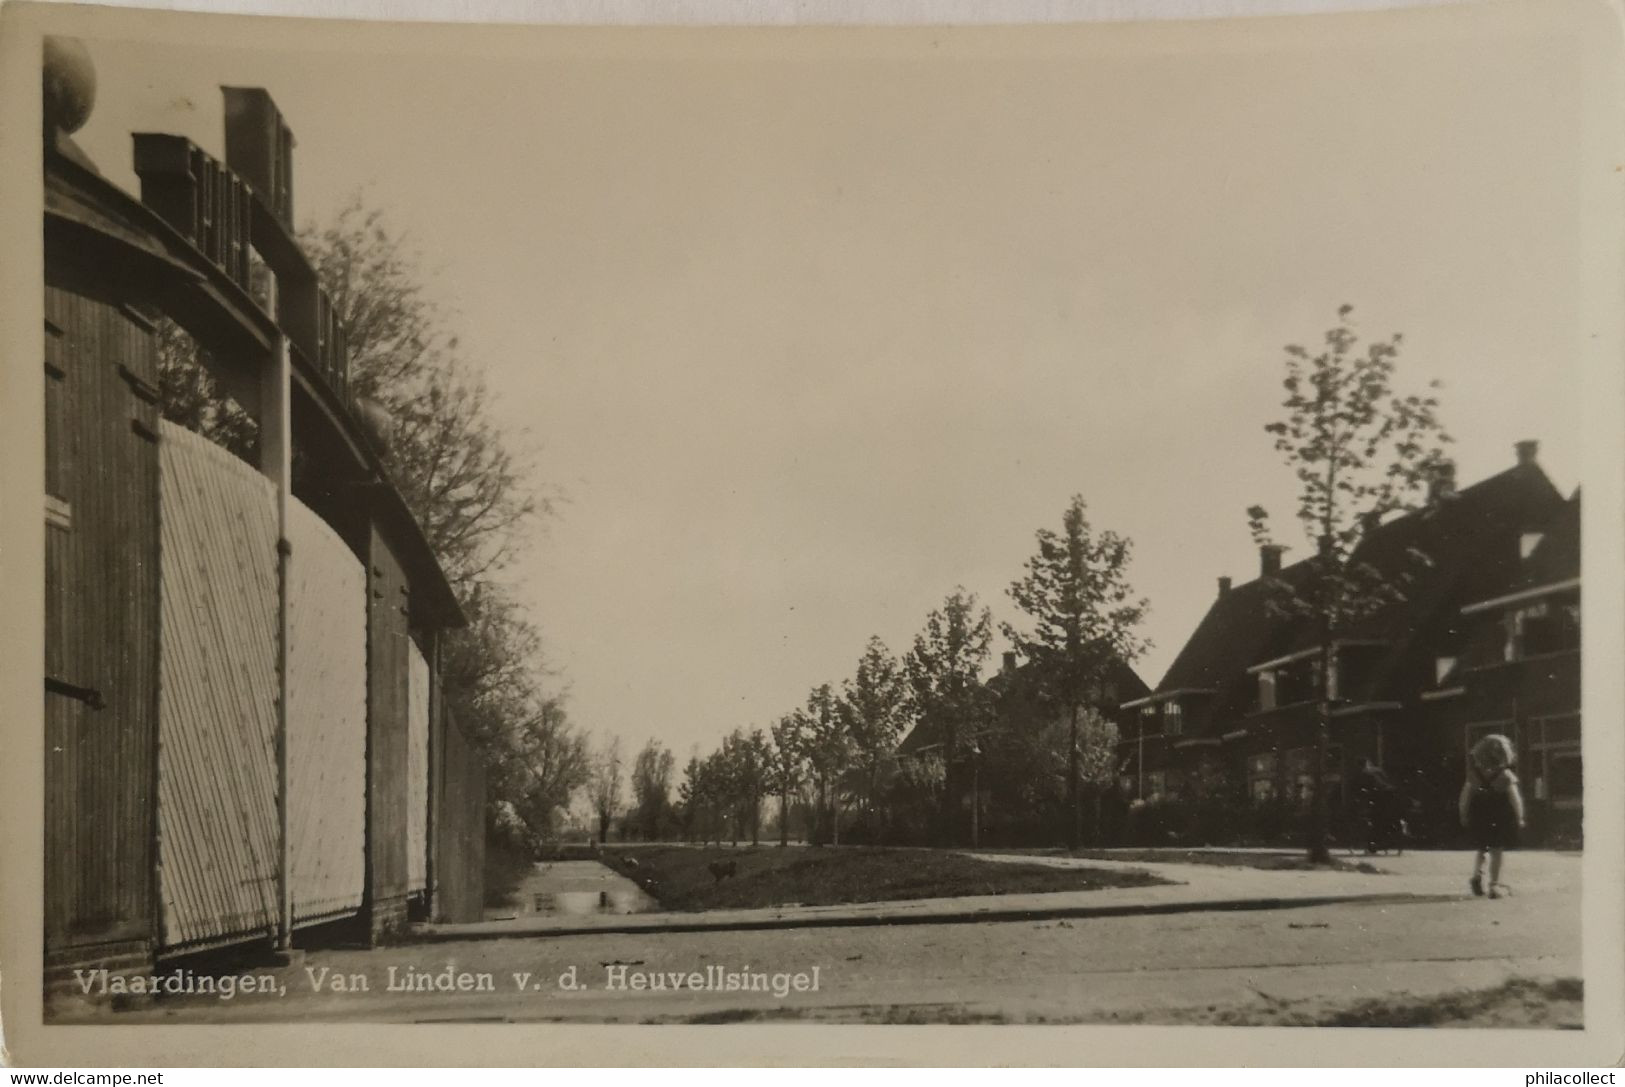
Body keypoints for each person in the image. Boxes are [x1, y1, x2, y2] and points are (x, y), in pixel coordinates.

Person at [1458, 734, 1526, 899]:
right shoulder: (1506, 776)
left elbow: (1464, 797)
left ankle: (1476, 875)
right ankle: (1494, 885)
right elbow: (1515, 799)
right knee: (1497, 851)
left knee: (1482, 848)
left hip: (1479, 816)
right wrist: (1520, 817)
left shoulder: (1474, 775)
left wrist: (1463, 814)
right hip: (1499, 817)